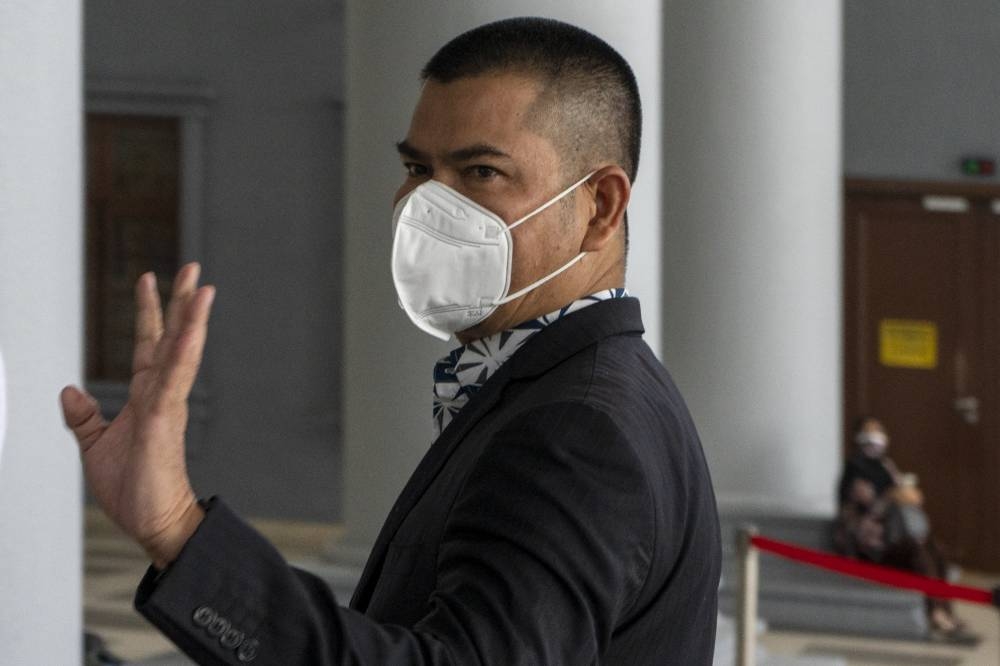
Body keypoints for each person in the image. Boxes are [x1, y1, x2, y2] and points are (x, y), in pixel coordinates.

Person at [60, 17, 721, 665]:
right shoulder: (573, 388)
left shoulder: (578, 430)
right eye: (417, 167)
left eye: (481, 172)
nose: (425, 207)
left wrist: (180, 530)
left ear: (601, 206)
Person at [835, 415, 968, 641]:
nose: (875, 437)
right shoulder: (854, 469)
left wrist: (904, 495)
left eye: (879, 430)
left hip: (897, 537)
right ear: (858, 437)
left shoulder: (886, 466)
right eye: (870, 431)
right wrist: (892, 496)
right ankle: (934, 612)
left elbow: (908, 496)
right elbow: (866, 510)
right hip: (874, 545)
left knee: (934, 548)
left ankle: (946, 610)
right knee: (918, 552)